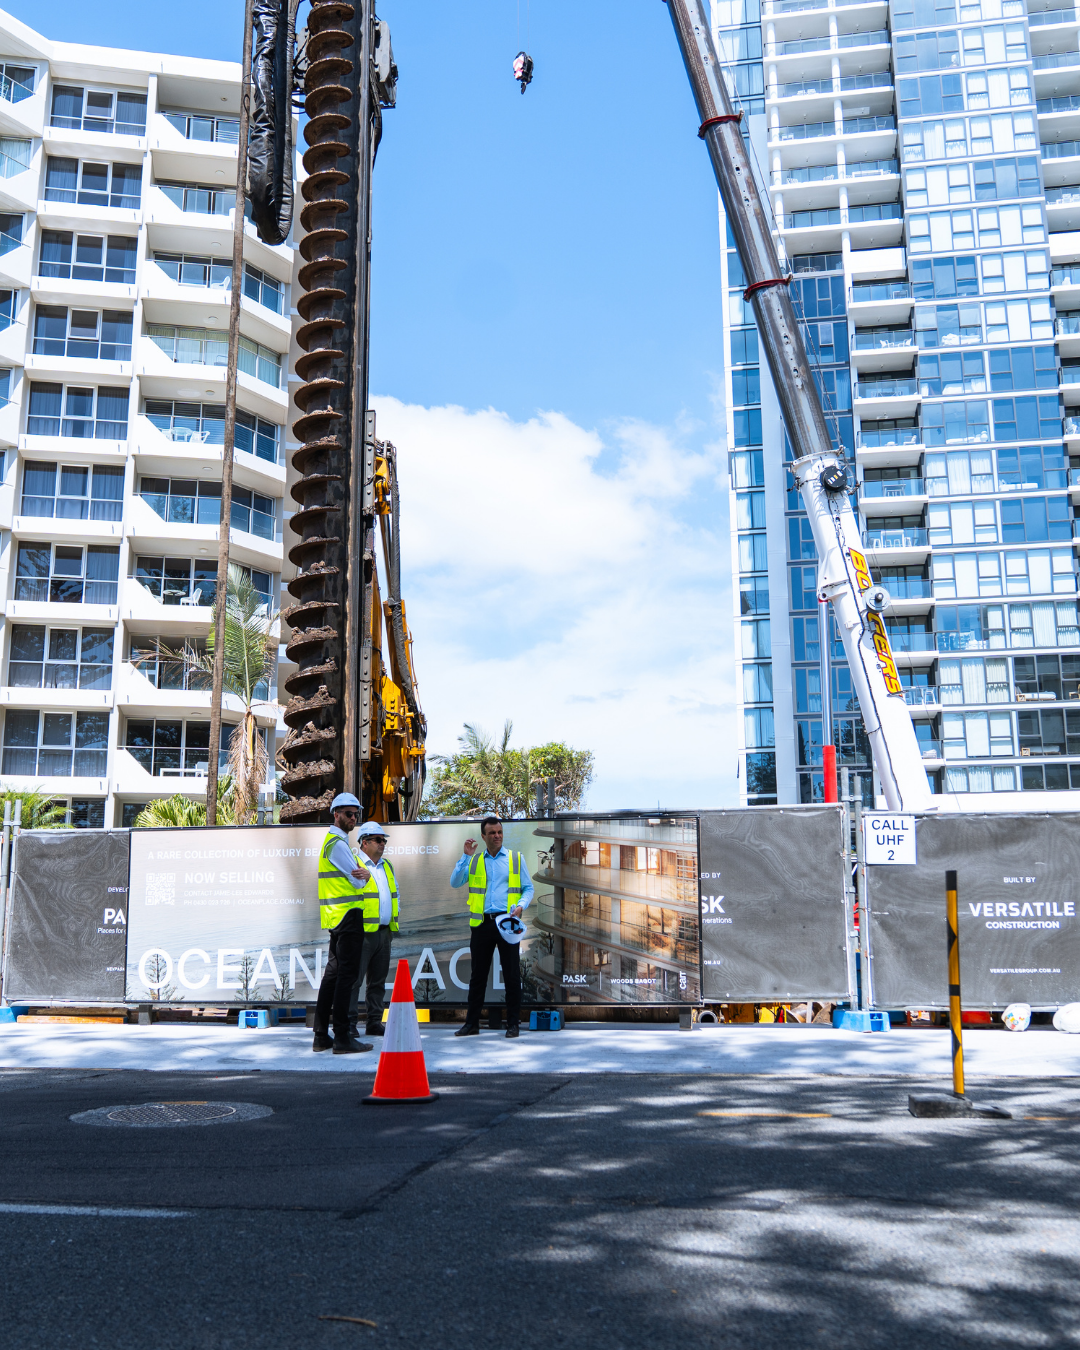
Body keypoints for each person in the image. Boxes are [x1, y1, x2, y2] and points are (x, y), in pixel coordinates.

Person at [313, 795, 396, 1054]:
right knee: (346, 979)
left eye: (355, 813)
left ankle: (321, 1036)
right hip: (347, 918)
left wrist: (361, 874)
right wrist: (364, 875)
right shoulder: (336, 844)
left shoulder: (338, 844)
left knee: (333, 977)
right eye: (348, 813)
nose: (353, 818)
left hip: (339, 918)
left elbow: (358, 877)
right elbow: (360, 881)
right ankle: (342, 1038)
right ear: (335, 813)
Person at [449, 816, 534, 1038]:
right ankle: (472, 1024)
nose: (497, 836)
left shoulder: (516, 859)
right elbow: (455, 882)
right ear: (484, 836)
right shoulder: (475, 860)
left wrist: (522, 906)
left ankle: (513, 1024)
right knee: (477, 976)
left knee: (512, 975)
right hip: (482, 924)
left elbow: (528, 888)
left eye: (500, 832)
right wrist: (465, 857)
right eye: (492, 833)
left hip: (508, 924)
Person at [347, 821, 399, 1038]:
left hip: (384, 932)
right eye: (378, 840)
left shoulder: (386, 866)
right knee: (354, 980)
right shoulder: (355, 863)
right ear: (364, 842)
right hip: (362, 933)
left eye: (384, 840)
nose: (383, 843)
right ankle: (348, 1024)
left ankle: (374, 1022)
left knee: (378, 981)